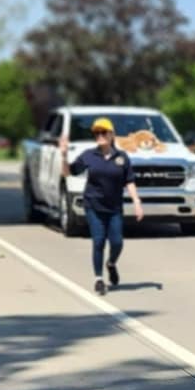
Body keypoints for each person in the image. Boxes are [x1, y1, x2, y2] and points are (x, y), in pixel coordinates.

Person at [65, 116, 141, 293]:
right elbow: (70, 171)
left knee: (117, 242)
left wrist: (137, 201)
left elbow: (129, 180)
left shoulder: (121, 157)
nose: (99, 135)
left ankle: (111, 263)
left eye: (103, 132)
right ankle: (99, 279)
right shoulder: (89, 156)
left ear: (111, 134)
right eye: (96, 133)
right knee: (98, 241)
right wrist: (62, 156)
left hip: (114, 207)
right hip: (93, 205)